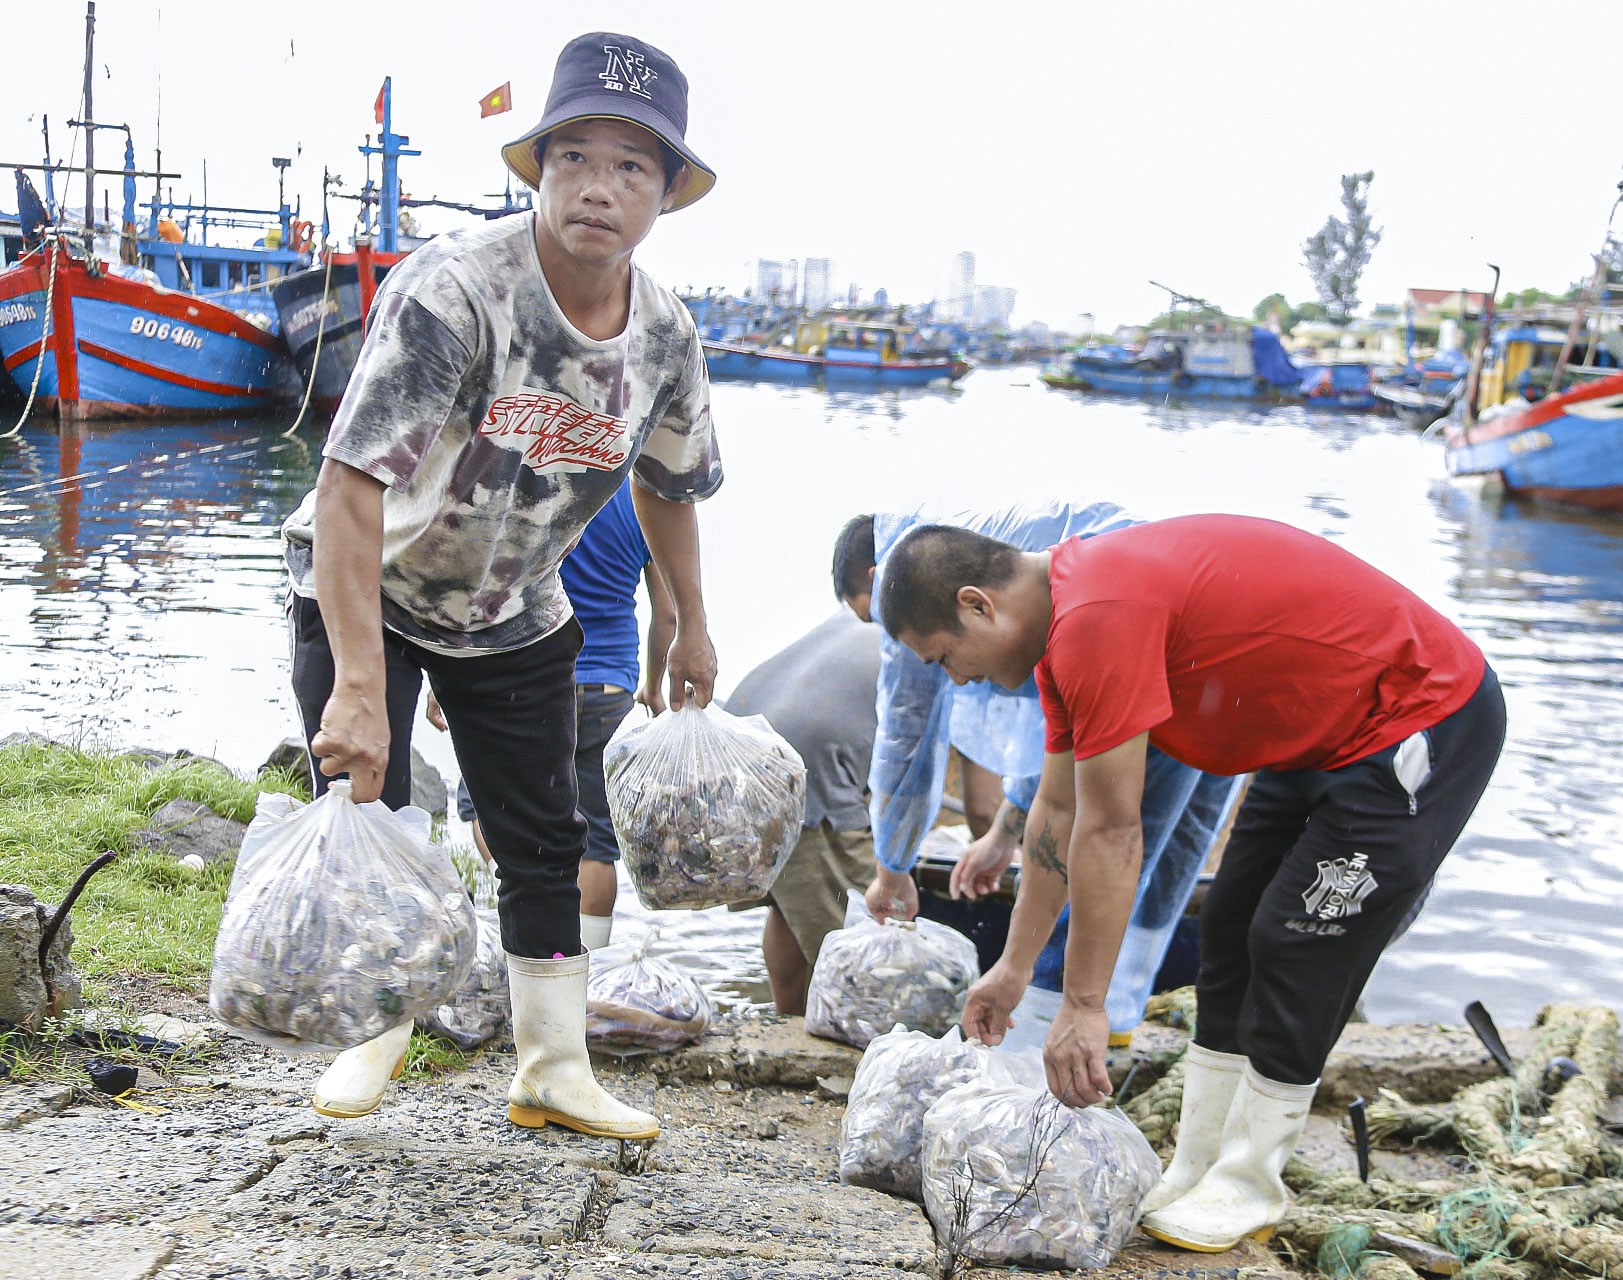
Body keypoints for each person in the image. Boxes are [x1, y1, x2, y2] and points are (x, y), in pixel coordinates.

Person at [280, 30, 722, 1140]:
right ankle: (370, 1023)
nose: (599, 187)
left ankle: (553, 1064)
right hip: (367, 582)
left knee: (545, 836)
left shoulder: (667, 333)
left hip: (518, 607)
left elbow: (672, 483)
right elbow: (348, 487)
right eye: (575, 154)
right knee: (370, 807)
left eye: (632, 166)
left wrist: (692, 624)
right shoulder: (456, 291)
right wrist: (362, 686)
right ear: (539, 166)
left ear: (666, 193)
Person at [876, 515, 1504, 1253]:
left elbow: (1114, 832)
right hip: (1316, 736)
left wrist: (1084, 1004)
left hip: (1421, 718)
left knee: (1295, 943)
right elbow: (1058, 811)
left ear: (978, 604)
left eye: (946, 656)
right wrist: (1014, 969)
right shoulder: (1060, 639)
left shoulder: (1097, 618)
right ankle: (1200, 1161)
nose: (956, 679)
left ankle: (1251, 1182)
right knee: (1231, 927)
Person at [834, 504, 1242, 1051]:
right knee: (1138, 843)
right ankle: (1112, 1020)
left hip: (1173, 655)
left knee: (1107, 847)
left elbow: (908, 736)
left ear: (874, 578)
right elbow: (1052, 746)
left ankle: (1062, 1035)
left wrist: (893, 863)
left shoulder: (916, 587)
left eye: (940, 658)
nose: (953, 678)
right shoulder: (1037, 591)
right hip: (1201, 662)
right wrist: (1005, 832)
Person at [437, 481, 675, 951]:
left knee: (492, 805)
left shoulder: (529, 481)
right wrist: (654, 682)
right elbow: (667, 615)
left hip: (524, 676)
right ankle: (588, 972)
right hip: (609, 687)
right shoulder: (640, 499)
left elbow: (473, 577)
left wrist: (441, 667)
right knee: (598, 841)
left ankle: (531, 916)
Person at [723, 606, 884, 1013]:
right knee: (857, 935)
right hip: (804, 774)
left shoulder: (835, 631)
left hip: (741, 762)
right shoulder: (907, 640)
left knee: (786, 903)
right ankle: (857, 1042)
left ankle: (787, 1019)